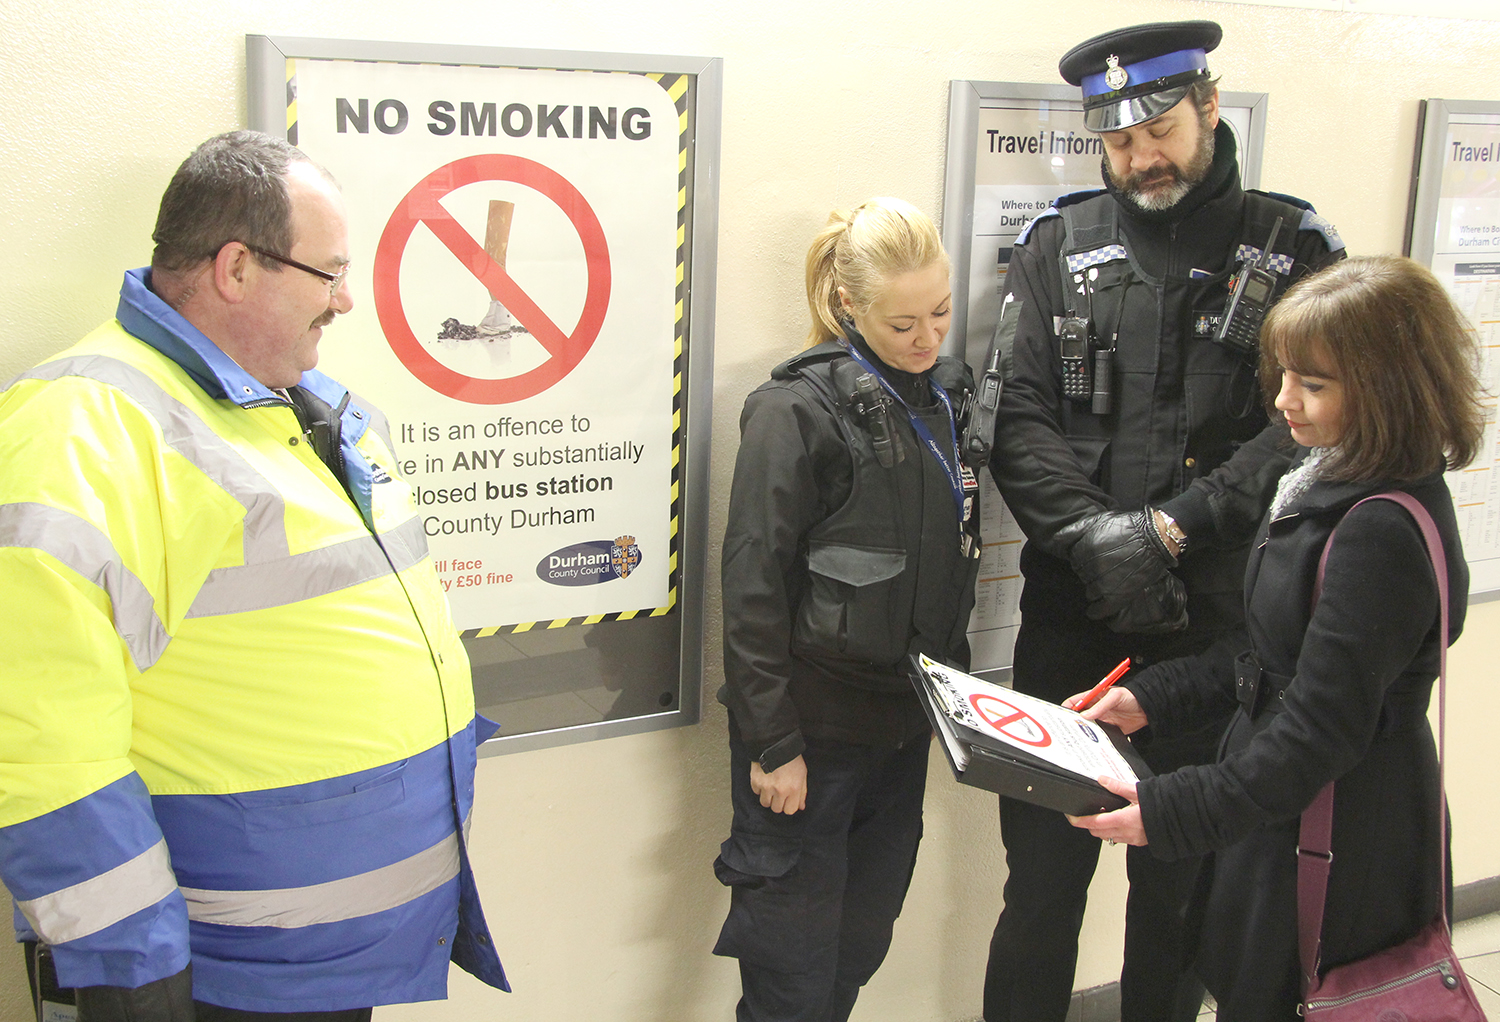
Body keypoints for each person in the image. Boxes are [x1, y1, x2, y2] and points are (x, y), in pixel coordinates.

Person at [0, 130, 509, 1021]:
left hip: (326, 960)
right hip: (212, 977)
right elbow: (41, 739)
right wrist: (133, 975)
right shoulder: (83, 430)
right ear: (236, 268)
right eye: (329, 272)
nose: (348, 299)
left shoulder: (291, 409)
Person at [981, 19, 1346, 1022]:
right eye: (1119, 140)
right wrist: (1099, 542)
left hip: (1219, 629)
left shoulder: (1294, 248)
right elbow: (1017, 419)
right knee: (1042, 888)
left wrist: (1172, 530)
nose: (1142, 157)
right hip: (1073, 628)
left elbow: (1302, 429)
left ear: (1210, 108)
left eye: (1162, 130)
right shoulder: (1058, 244)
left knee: (1181, 895)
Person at [1068, 255, 1482, 1021]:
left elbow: (1316, 730)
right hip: (1283, 816)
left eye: (1313, 385)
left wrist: (1169, 810)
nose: (1284, 401)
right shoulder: (1327, 479)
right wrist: (1149, 697)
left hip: (1340, 834)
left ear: (1388, 389)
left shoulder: (1379, 529)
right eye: (1285, 375)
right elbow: (1268, 653)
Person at [712, 197, 983, 1022]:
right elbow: (752, 585)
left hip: (900, 733)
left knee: (859, 946)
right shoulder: (793, 411)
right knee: (790, 968)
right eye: (902, 324)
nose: (927, 339)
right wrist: (773, 744)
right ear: (846, 308)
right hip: (809, 741)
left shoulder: (948, 399)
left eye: (939, 312)